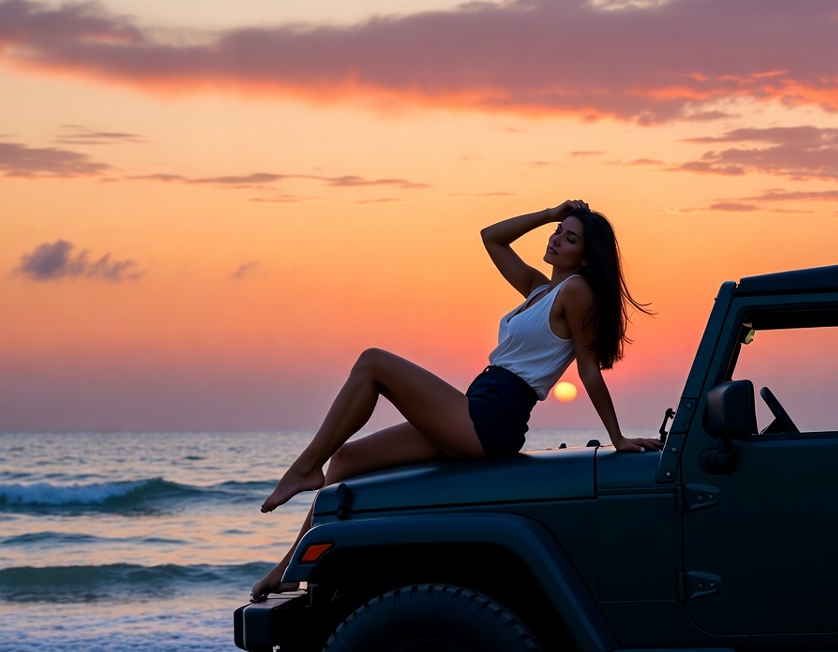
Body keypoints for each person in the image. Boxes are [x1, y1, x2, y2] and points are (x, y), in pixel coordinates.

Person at [251, 198, 662, 600]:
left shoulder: (576, 292)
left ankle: (304, 469)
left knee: (373, 363)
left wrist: (618, 436)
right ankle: (290, 568)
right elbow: (491, 239)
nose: (556, 239)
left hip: (493, 416)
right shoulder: (539, 290)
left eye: (570, 239)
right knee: (346, 461)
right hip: (478, 405)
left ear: (587, 259)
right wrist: (550, 213)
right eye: (558, 232)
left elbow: (588, 369)